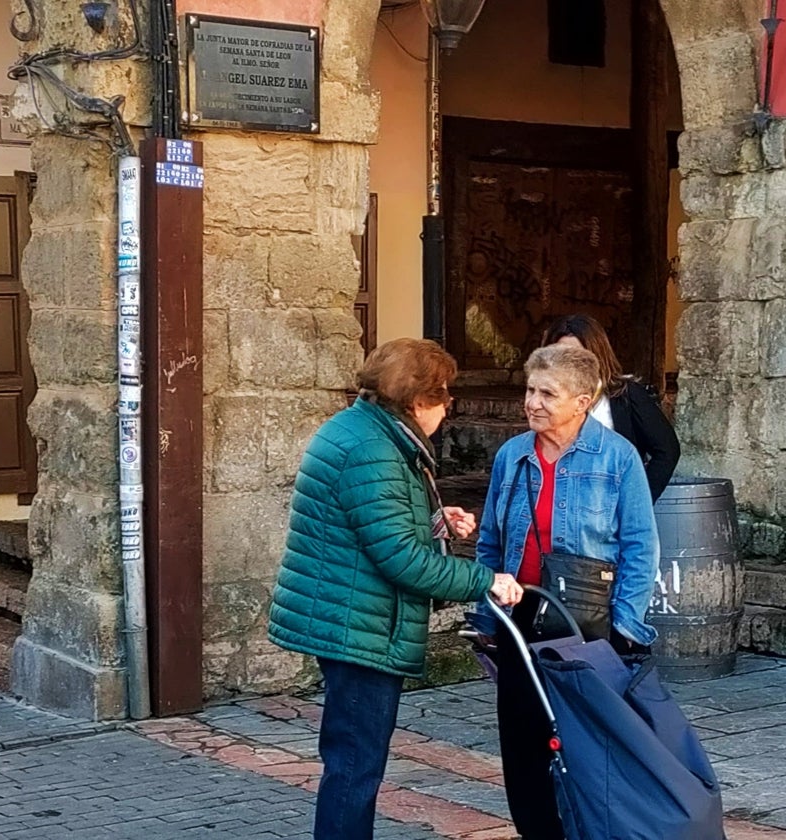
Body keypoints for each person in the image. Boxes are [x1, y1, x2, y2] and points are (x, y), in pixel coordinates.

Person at [268, 338, 524, 840]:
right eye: (444, 394)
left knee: (352, 758)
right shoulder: (372, 449)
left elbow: (374, 525)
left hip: (351, 618)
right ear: (417, 400)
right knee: (355, 765)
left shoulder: (368, 430)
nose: (448, 405)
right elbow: (401, 560)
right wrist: (486, 580)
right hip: (358, 628)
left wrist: (433, 521)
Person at [475, 343, 660, 839]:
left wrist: (624, 627)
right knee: (522, 744)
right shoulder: (512, 456)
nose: (533, 403)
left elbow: (641, 547)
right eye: (530, 391)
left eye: (547, 394)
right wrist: (486, 617)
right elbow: (491, 543)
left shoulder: (617, 457)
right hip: (520, 616)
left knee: (586, 744)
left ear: (582, 400)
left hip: (588, 623)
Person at [541, 313, 680, 502]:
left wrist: (636, 502)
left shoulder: (626, 395)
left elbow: (667, 450)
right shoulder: (543, 399)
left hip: (607, 514)